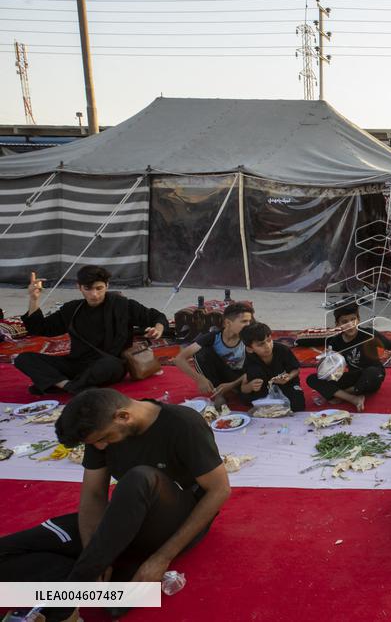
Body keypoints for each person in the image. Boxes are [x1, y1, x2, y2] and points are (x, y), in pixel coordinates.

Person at [0, 388, 230, 621]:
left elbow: (219, 490)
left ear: (123, 416)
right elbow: (93, 494)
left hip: (175, 521)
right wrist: (98, 555)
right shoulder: (99, 433)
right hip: (123, 519)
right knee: (5, 552)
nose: (100, 447)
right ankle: (102, 582)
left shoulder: (183, 423)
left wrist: (162, 557)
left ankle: (64, 604)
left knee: (140, 478)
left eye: (103, 439)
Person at [14, 266, 168, 396]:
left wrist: (157, 329)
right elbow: (40, 328)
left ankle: (59, 383)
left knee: (110, 365)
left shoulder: (123, 305)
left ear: (107, 286)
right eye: (88, 289)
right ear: (79, 287)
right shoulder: (72, 309)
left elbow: (157, 317)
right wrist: (33, 299)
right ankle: (68, 386)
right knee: (23, 358)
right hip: (77, 364)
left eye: (99, 288)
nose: (94, 294)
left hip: (109, 364)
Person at [305, 302, 391, 411]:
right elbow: (333, 370)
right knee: (312, 379)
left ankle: (338, 394)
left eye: (353, 319)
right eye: (344, 322)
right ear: (337, 324)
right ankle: (353, 398)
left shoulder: (369, 334)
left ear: (358, 320)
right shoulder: (335, 341)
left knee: (373, 372)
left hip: (372, 376)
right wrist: (326, 362)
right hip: (354, 376)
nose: (350, 324)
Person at [175, 302, 254, 406]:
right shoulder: (213, 337)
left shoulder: (249, 337)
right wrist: (199, 379)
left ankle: (231, 389)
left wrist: (231, 385)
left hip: (242, 376)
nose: (248, 325)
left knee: (249, 400)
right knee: (201, 353)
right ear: (227, 323)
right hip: (221, 375)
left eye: (249, 321)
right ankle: (219, 393)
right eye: (244, 321)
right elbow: (179, 359)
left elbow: (257, 366)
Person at [239, 322, 304, 412]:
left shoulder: (282, 350)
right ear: (250, 349)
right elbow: (243, 387)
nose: (267, 346)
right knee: (244, 398)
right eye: (261, 344)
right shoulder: (249, 359)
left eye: (269, 340)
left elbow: (296, 370)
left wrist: (288, 377)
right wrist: (251, 386)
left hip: (286, 384)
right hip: (263, 389)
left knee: (298, 405)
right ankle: (269, 402)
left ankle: (270, 404)